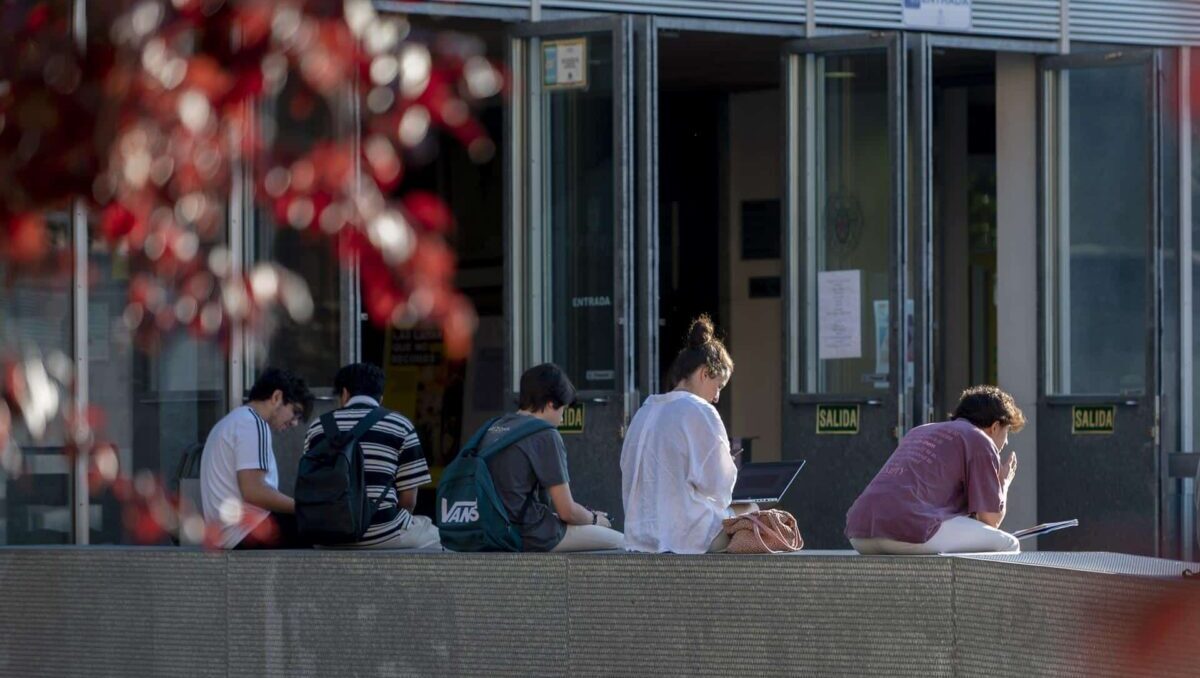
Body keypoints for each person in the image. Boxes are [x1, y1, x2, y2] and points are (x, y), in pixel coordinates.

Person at [621, 315, 751, 554]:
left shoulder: (644, 411)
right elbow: (720, 490)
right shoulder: (700, 411)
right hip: (686, 535)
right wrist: (727, 463)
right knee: (752, 510)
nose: (717, 397)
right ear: (704, 373)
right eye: (718, 385)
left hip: (639, 534)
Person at [845, 385, 1024, 555]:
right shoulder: (981, 440)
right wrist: (1003, 484)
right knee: (1008, 543)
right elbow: (990, 520)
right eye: (1007, 432)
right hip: (909, 530)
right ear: (995, 427)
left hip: (860, 533)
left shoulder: (919, 431)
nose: (1006, 442)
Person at [476, 363, 624, 552]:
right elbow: (567, 511)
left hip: (492, 529)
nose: (562, 420)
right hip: (528, 535)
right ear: (550, 404)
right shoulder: (544, 434)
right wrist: (595, 519)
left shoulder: (494, 427)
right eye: (563, 410)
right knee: (622, 543)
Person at [302, 362, 441, 549]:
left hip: (327, 535)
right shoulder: (400, 425)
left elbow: (310, 486)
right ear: (380, 398)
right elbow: (409, 501)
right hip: (384, 532)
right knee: (435, 535)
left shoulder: (317, 427)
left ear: (344, 393)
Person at [200, 367, 314, 549]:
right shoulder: (253, 423)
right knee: (320, 527)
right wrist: (303, 507)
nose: (294, 423)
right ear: (277, 397)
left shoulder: (230, 422)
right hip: (247, 532)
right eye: (295, 412)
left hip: (227, 535)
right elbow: (254, 491)